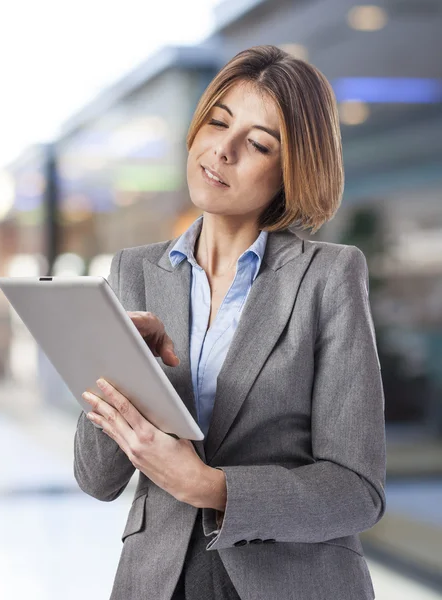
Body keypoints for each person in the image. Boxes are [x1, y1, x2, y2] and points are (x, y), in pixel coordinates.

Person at [73, 45, 386, 600]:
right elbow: (98, 479)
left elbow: (357, 488)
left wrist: (213, 488)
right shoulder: (135, 270)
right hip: (156, 580)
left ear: (291, 170)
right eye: (217, 123)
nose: (223, 151)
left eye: (259, 143)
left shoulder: (329, 276)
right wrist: (116, 365)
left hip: (290, 581)